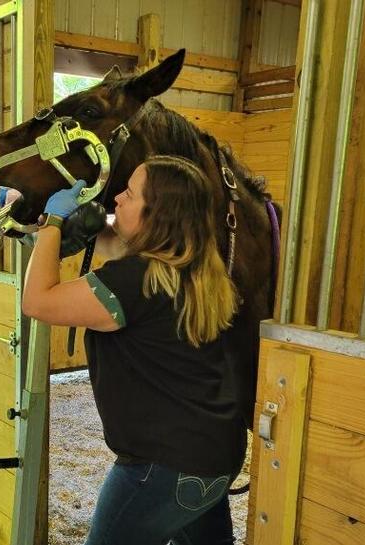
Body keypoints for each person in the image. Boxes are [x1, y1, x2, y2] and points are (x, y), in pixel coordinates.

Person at [22, 156, 247, 545]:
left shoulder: (134, 280)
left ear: (156, 214)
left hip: (163, 467)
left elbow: (37, 302)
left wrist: (53, 225)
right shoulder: (197, 268)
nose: (118, 200)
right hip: (216, 457)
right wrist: (36, 225)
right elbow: (110, 238)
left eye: (130, 193)